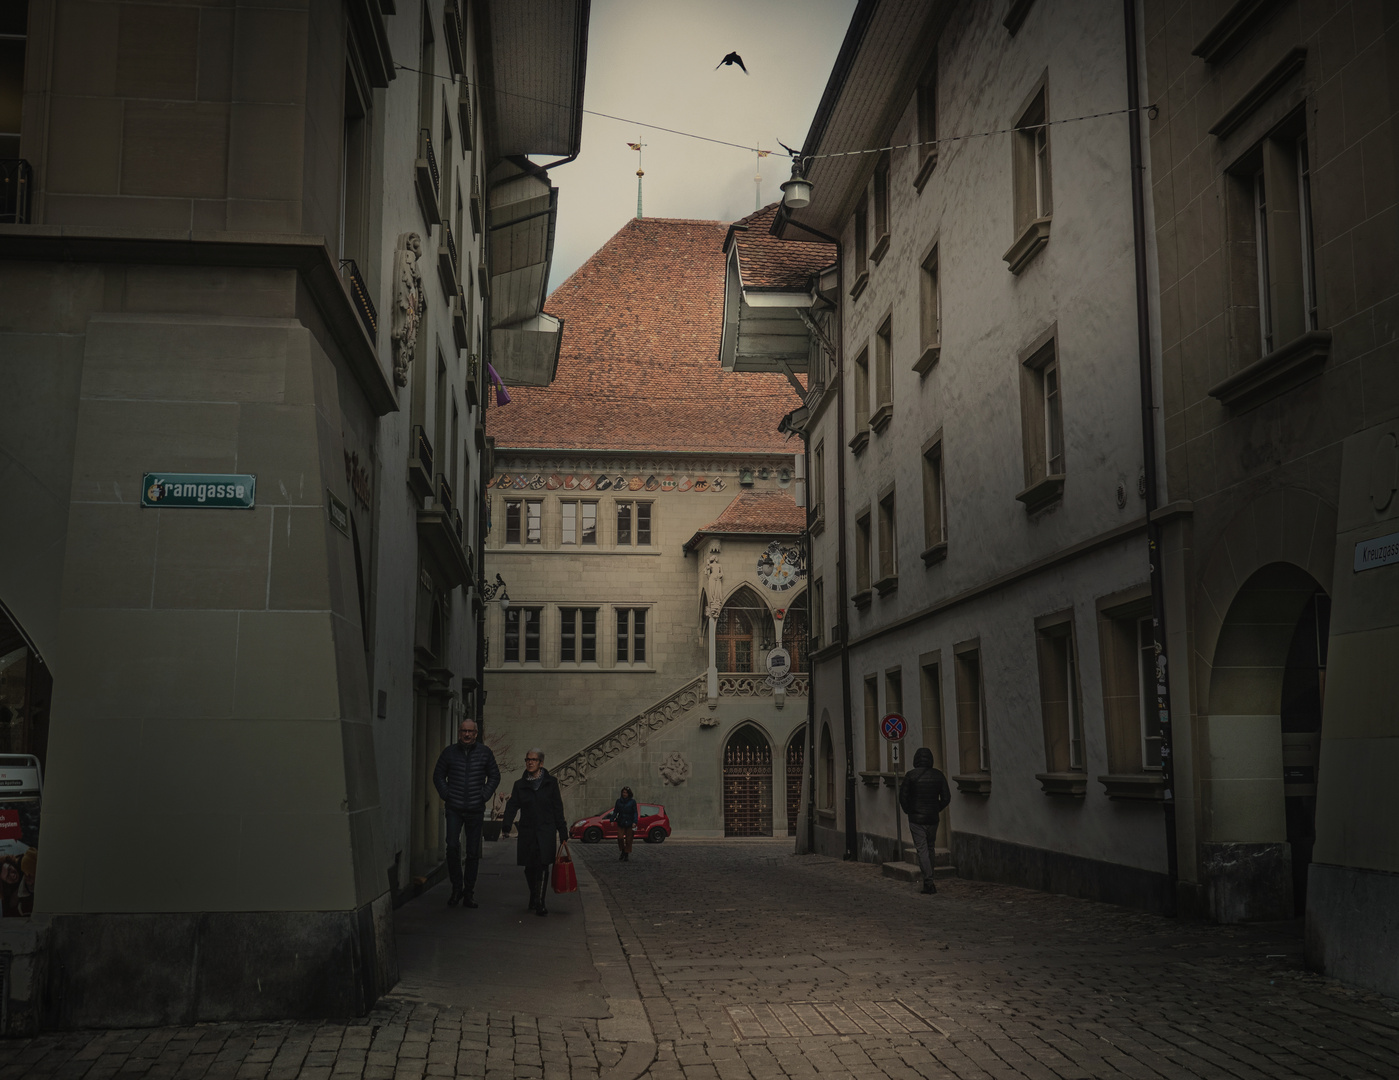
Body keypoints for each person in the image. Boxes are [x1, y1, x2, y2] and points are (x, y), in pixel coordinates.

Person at [432, 718, 501, 909]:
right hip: (454, 808)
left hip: (475, 808)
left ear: (476, 734)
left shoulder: (485, 753)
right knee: (452, 846)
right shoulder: (449, 753)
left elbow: (494, 775)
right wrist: (447, 795)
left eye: (470, 731)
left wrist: (483, 796)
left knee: (472, 852)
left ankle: (469, 893)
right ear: (459, 732)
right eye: (464, 731)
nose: (467, 734)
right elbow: (438, 775)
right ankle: (456, 888)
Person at [500, 748, 569, 916]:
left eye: (533, 760)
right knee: (529, 867)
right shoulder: (520, 784)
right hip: (528, 830)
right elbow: (512, 805)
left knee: (543, 865)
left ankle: (540, 902)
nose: (530, 762)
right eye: (527, 759)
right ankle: (533, 894)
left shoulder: (550, 783)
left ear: (541, 763)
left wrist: (563, 831)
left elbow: (557, 808)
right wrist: (506, 824)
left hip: (546, 830)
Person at [898, 747, 951, 894]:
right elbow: (946, 798)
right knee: (930, 848)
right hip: (933, 818)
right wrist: (936, 808)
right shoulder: (938, 775)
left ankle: (928, 881)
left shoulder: (911, 776)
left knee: (922, 849)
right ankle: (930, 878)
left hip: (916, 819)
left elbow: (902, 797)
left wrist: (909, 810)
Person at [613, 787, 639, 861]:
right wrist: (612, 819)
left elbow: (635, 812)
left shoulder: (632, 802)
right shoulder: (618, 801)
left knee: (629, 839)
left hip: (630, 822)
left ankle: (626, 853)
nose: (624, 794)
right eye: (623, 792)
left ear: (629, 794)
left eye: (626, 793)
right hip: (621, 821)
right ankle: (623, 850)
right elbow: (615, 811)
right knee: (620, 837)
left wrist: (635, 822)